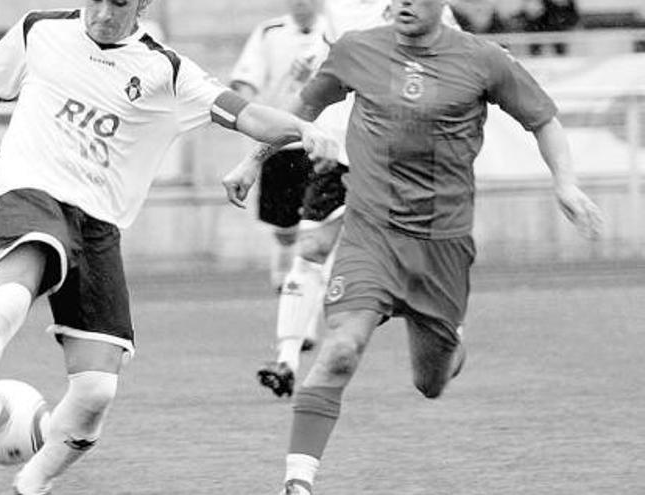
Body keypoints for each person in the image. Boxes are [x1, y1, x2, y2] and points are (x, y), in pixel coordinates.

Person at [0, 1, 338, 494]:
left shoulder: (167, 69)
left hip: (98, 226)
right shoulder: (39, 30)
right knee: (9, 298)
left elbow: (247, 115)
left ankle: (28, 486)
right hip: (28, 193)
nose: (102, 13)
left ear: (141, 4)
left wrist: (305, 129)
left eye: (118, 3)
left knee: (96, 391)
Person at [222, 0, 604, 493]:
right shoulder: (357, 49)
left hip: (441, 247)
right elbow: (303, 108)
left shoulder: (484, 59)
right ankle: (297, 481)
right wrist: (252, 162)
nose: (401, 2)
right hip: (370, 234)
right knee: (339, 351)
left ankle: (450, 345)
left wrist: (566, 185)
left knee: (431, 383)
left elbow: (543, 119)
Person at [254, 0, 460, 399]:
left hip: (400, 157)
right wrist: (310, 61)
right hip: (338, 152)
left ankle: (448, 328)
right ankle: (286, 358)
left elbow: (455, 46)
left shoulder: (419, 7)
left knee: (418, 265)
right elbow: (328, 52)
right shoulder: (337, 7)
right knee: (311, 247)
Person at [229, 0, 349, 397]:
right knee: (291, 235)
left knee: (314, 243)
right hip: (288, 144)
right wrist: (247, 113)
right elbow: (248, 83)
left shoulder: (341, 26)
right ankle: (290, 322)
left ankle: (300, 325)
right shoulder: (270, 34)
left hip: (336, 149)